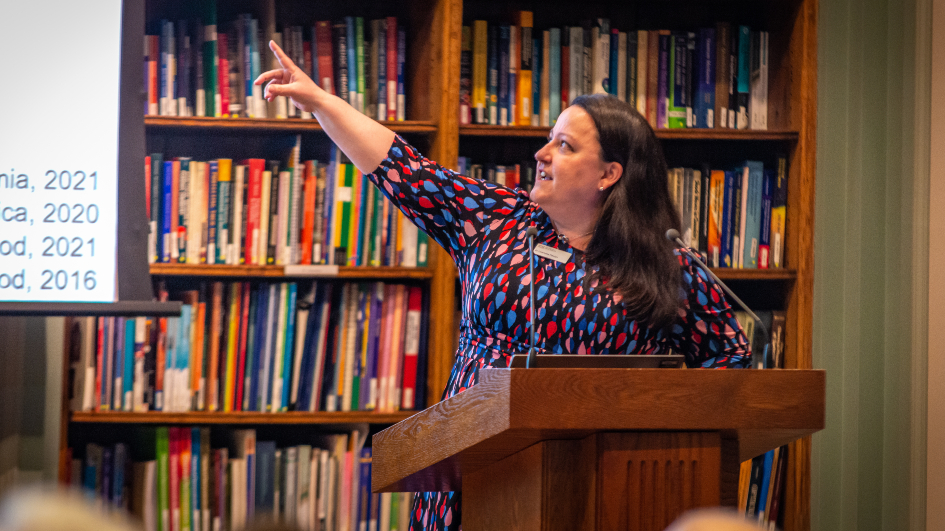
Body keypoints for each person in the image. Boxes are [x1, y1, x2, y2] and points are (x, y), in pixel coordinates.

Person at [256, 40, 751, 531]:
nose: (541, 153)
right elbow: (402, 168)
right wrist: (319, 101)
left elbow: (730, 365)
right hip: (470, 474)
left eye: (564, 145)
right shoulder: (497, 220)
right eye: (549, 137)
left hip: (602, 490)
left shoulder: (669, 266)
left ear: (609, 174)